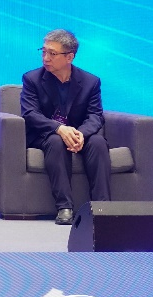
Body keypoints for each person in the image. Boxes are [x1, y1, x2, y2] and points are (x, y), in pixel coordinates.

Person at [21, 29, 110, 225]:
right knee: (56, 141)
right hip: (45, 135)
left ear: (70, 57)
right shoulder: (32, 79)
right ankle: (65, 207)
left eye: (52, 53)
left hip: (79, 133)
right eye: (44, 51)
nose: (46, 58)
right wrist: (59, 128)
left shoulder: (90, 82)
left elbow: (95, 115)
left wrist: (80, 134)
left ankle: (102, 209)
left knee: (98, 142)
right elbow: (30, 114)